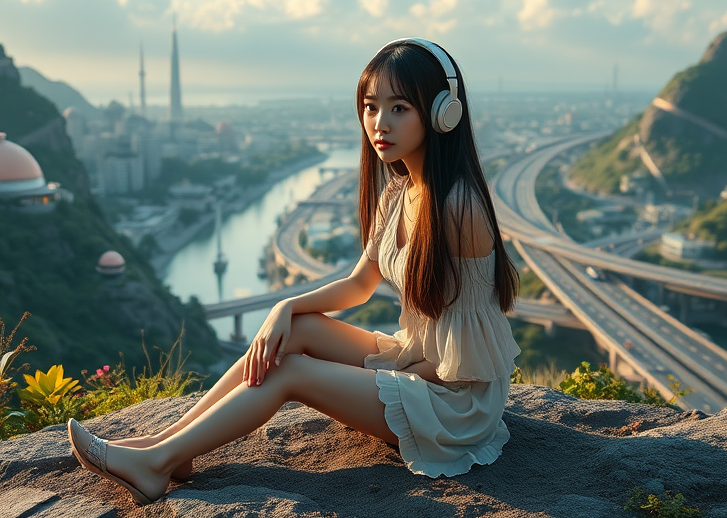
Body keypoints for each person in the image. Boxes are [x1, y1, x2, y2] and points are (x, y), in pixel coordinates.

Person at [67, 37, 522, 505]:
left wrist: (394, 373)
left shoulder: (459, 208)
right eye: (370, 106)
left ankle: (154, 466)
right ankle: (171, 447)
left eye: (399, 107)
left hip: (454, 403)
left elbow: (465, 364)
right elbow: (358, 286)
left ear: (443, 113)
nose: (379, 124)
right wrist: (284, 307)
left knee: (289, 373)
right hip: (419, 360)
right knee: (296, 329)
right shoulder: (399, 194)